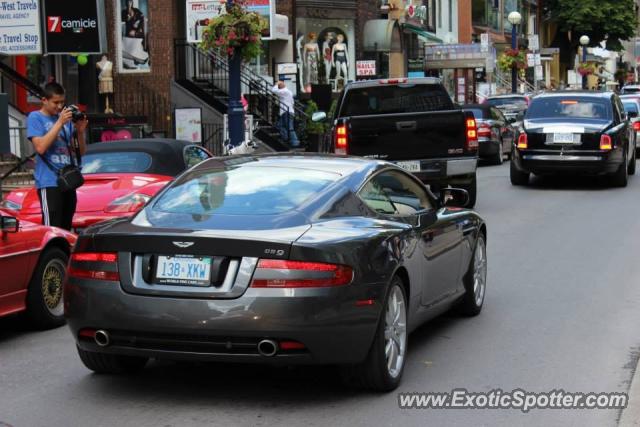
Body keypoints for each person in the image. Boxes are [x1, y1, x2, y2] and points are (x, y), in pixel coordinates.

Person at [26, 82, 88, 230]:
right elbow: (40, 147)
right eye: (55, 102)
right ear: (44, 100)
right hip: (49, 182)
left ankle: (64, 254)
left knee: (66, 228)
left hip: (67, 181)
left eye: (62, 102)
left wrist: (79, 132)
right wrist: (59, 123)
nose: (60, 106)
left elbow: (80, 151)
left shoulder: (65, 120)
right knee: (51, 229)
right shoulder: (36, 117)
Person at [271, 81, 300, 148]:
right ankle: (286, 138)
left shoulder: (284, 92)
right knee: (280, 125)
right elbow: (292, 102)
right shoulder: (289, 91)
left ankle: (294, 141)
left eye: (279, 87)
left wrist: (276, 84)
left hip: (286, 111)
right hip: (289, 111)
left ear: (280, 87)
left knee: (289, 127)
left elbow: (274, 90)